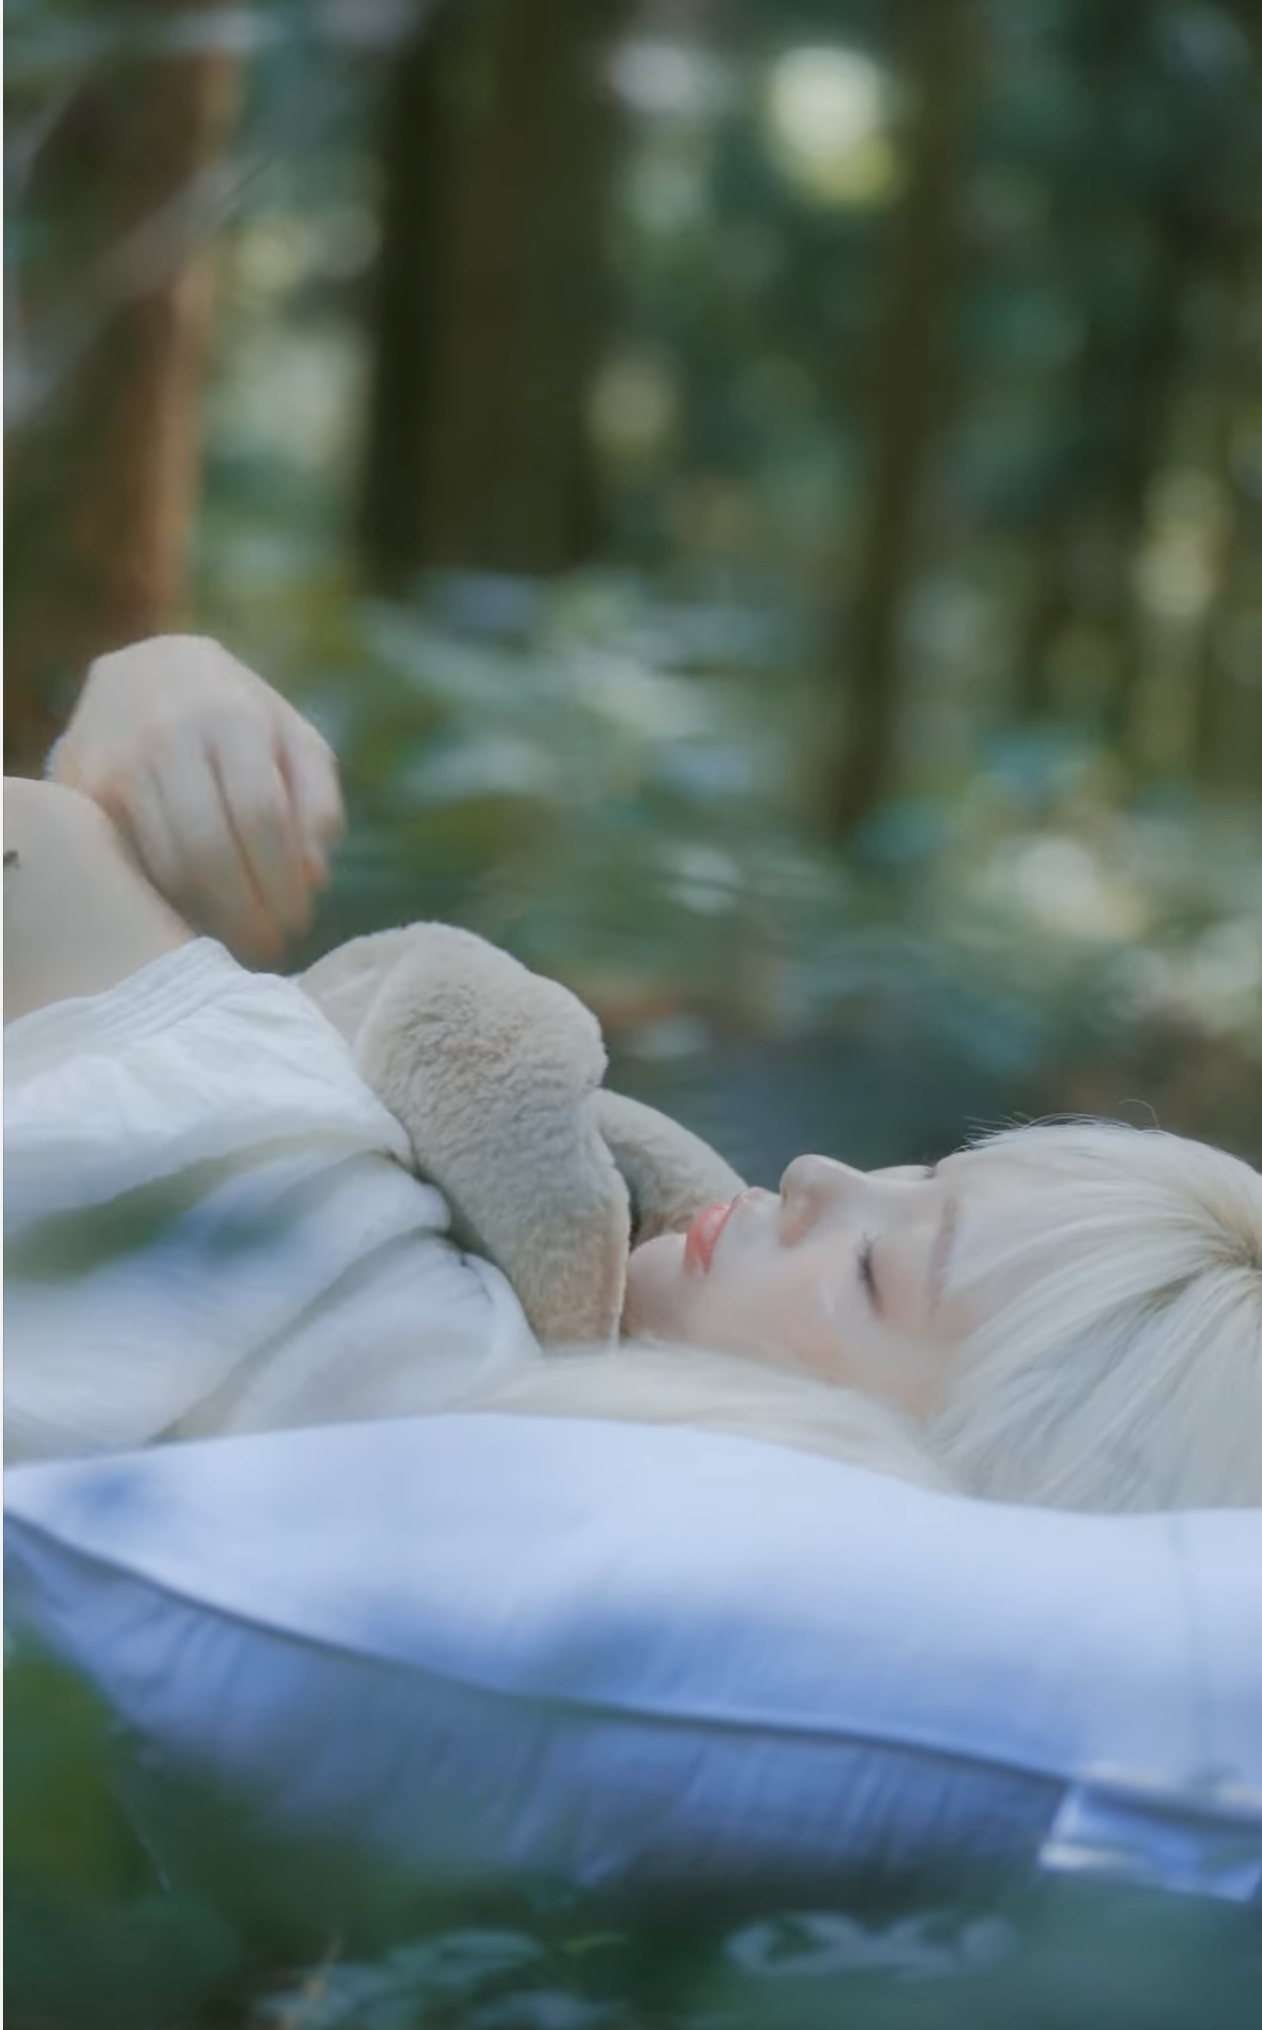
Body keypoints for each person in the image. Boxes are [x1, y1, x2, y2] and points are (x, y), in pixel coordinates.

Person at [6, 639, 1261, 1511]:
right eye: (918, 1174)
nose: (820, 1175)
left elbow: (32, 864)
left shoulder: (406, 1345)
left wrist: (143, 710)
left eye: (880, 1272)